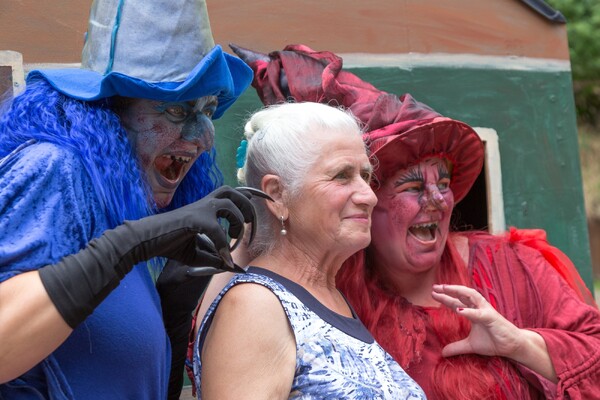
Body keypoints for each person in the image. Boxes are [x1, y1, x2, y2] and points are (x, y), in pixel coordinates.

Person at [227, 43, 600, 399]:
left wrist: (520, 343)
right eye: (413, 185)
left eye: (443, 183)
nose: (437, 200)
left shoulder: (513, 267)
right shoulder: (337, 289)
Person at [0, 0, 255, 399]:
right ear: (106, 114)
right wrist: (128, 246)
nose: (205, 138)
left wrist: (171, 312)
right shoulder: (55, 168)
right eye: (176, 109)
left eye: (206, 110)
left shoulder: (116, 205)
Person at [191, 101, 427, 399]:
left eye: (366, 176)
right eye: (342, 175)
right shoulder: (256, 306)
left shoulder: (328, 298)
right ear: (277, 195)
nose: (369, 196)